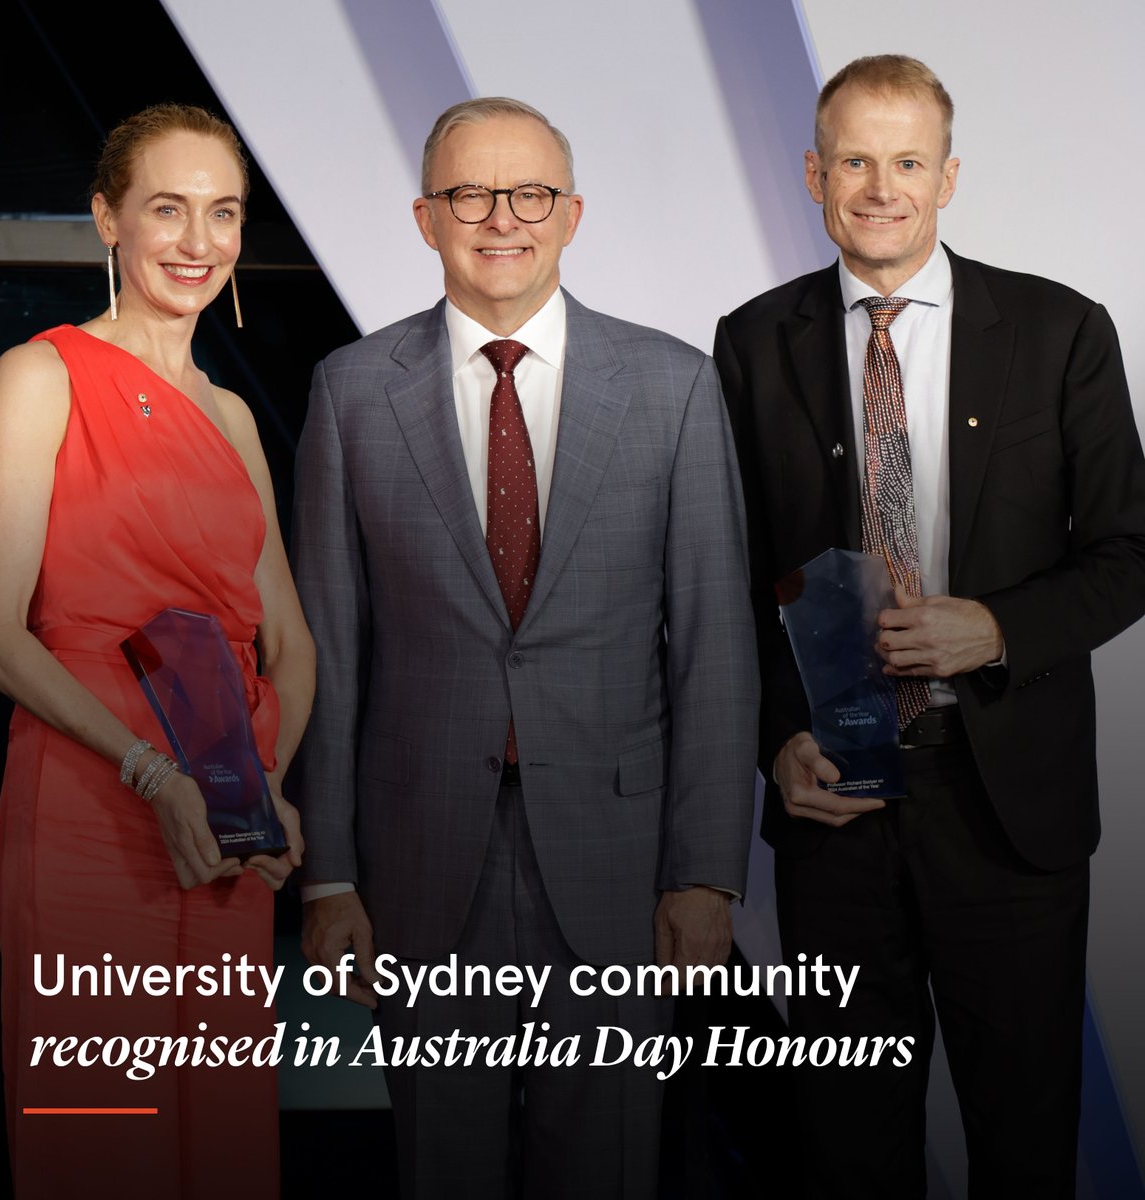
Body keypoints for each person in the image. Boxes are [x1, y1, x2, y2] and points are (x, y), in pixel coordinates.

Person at [293, 96, 758, 1198]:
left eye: (530, 193)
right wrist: (333, 877)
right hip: (417, 874)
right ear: (423, 217)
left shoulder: (675, 386)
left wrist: (705, 872)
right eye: (468, 193)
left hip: (618, 868)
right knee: (440, 1172)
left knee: (604, 1172)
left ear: (573, 212)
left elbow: (714, 647)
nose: (501, 217)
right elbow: (330, 649)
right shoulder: (352, 392)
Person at [714, 54, 1145, 1199]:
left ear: (948, 177)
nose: (879, 185)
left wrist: (995, 629)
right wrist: (773, 740)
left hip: (1007, 807)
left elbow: (1130, 554)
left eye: (906, 160)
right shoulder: (752, 342)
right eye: (854, 159)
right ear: (814, 172)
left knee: (1023, 1141)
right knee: (846, 1149)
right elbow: (735, 582)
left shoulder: (1061, 332)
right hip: (835, 811)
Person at [0, 104, 314, 1199]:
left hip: (224, 848)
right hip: (85, 823)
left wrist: (268, 793)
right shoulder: (43, 376)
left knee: (223, 1153)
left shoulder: (234, 418)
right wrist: (152, 774)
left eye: (223, 213)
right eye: (168, 208)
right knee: (101, 1150)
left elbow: (291, 649)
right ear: (108, 217)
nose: (197, 241)